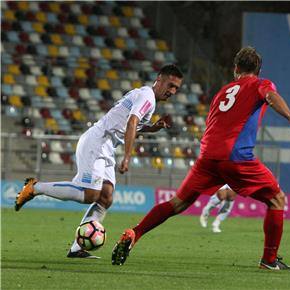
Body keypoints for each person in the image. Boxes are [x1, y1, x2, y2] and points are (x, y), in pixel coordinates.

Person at [111, 47, 290, 270]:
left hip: (207, 156)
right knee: (277, 200)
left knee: (177, 203)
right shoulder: (260, 84)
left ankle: (135, 233)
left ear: (235, 69)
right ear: (258, 70)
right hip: (236, 157)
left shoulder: (222, 92)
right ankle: (269, 260)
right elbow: (270, 97)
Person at [14, 64, 184, 258]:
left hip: (107, 145)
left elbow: (127, 123)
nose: (172, 91)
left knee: (105, 197)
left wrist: (151, 129)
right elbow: (131, 123)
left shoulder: (144, 95)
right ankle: (34, 188)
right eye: (170, 85)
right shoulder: (148, 97)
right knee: (90, 194)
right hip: (98, 141)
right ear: (159, 79)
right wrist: (127, 156)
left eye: (176, 89)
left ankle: (78, 248)